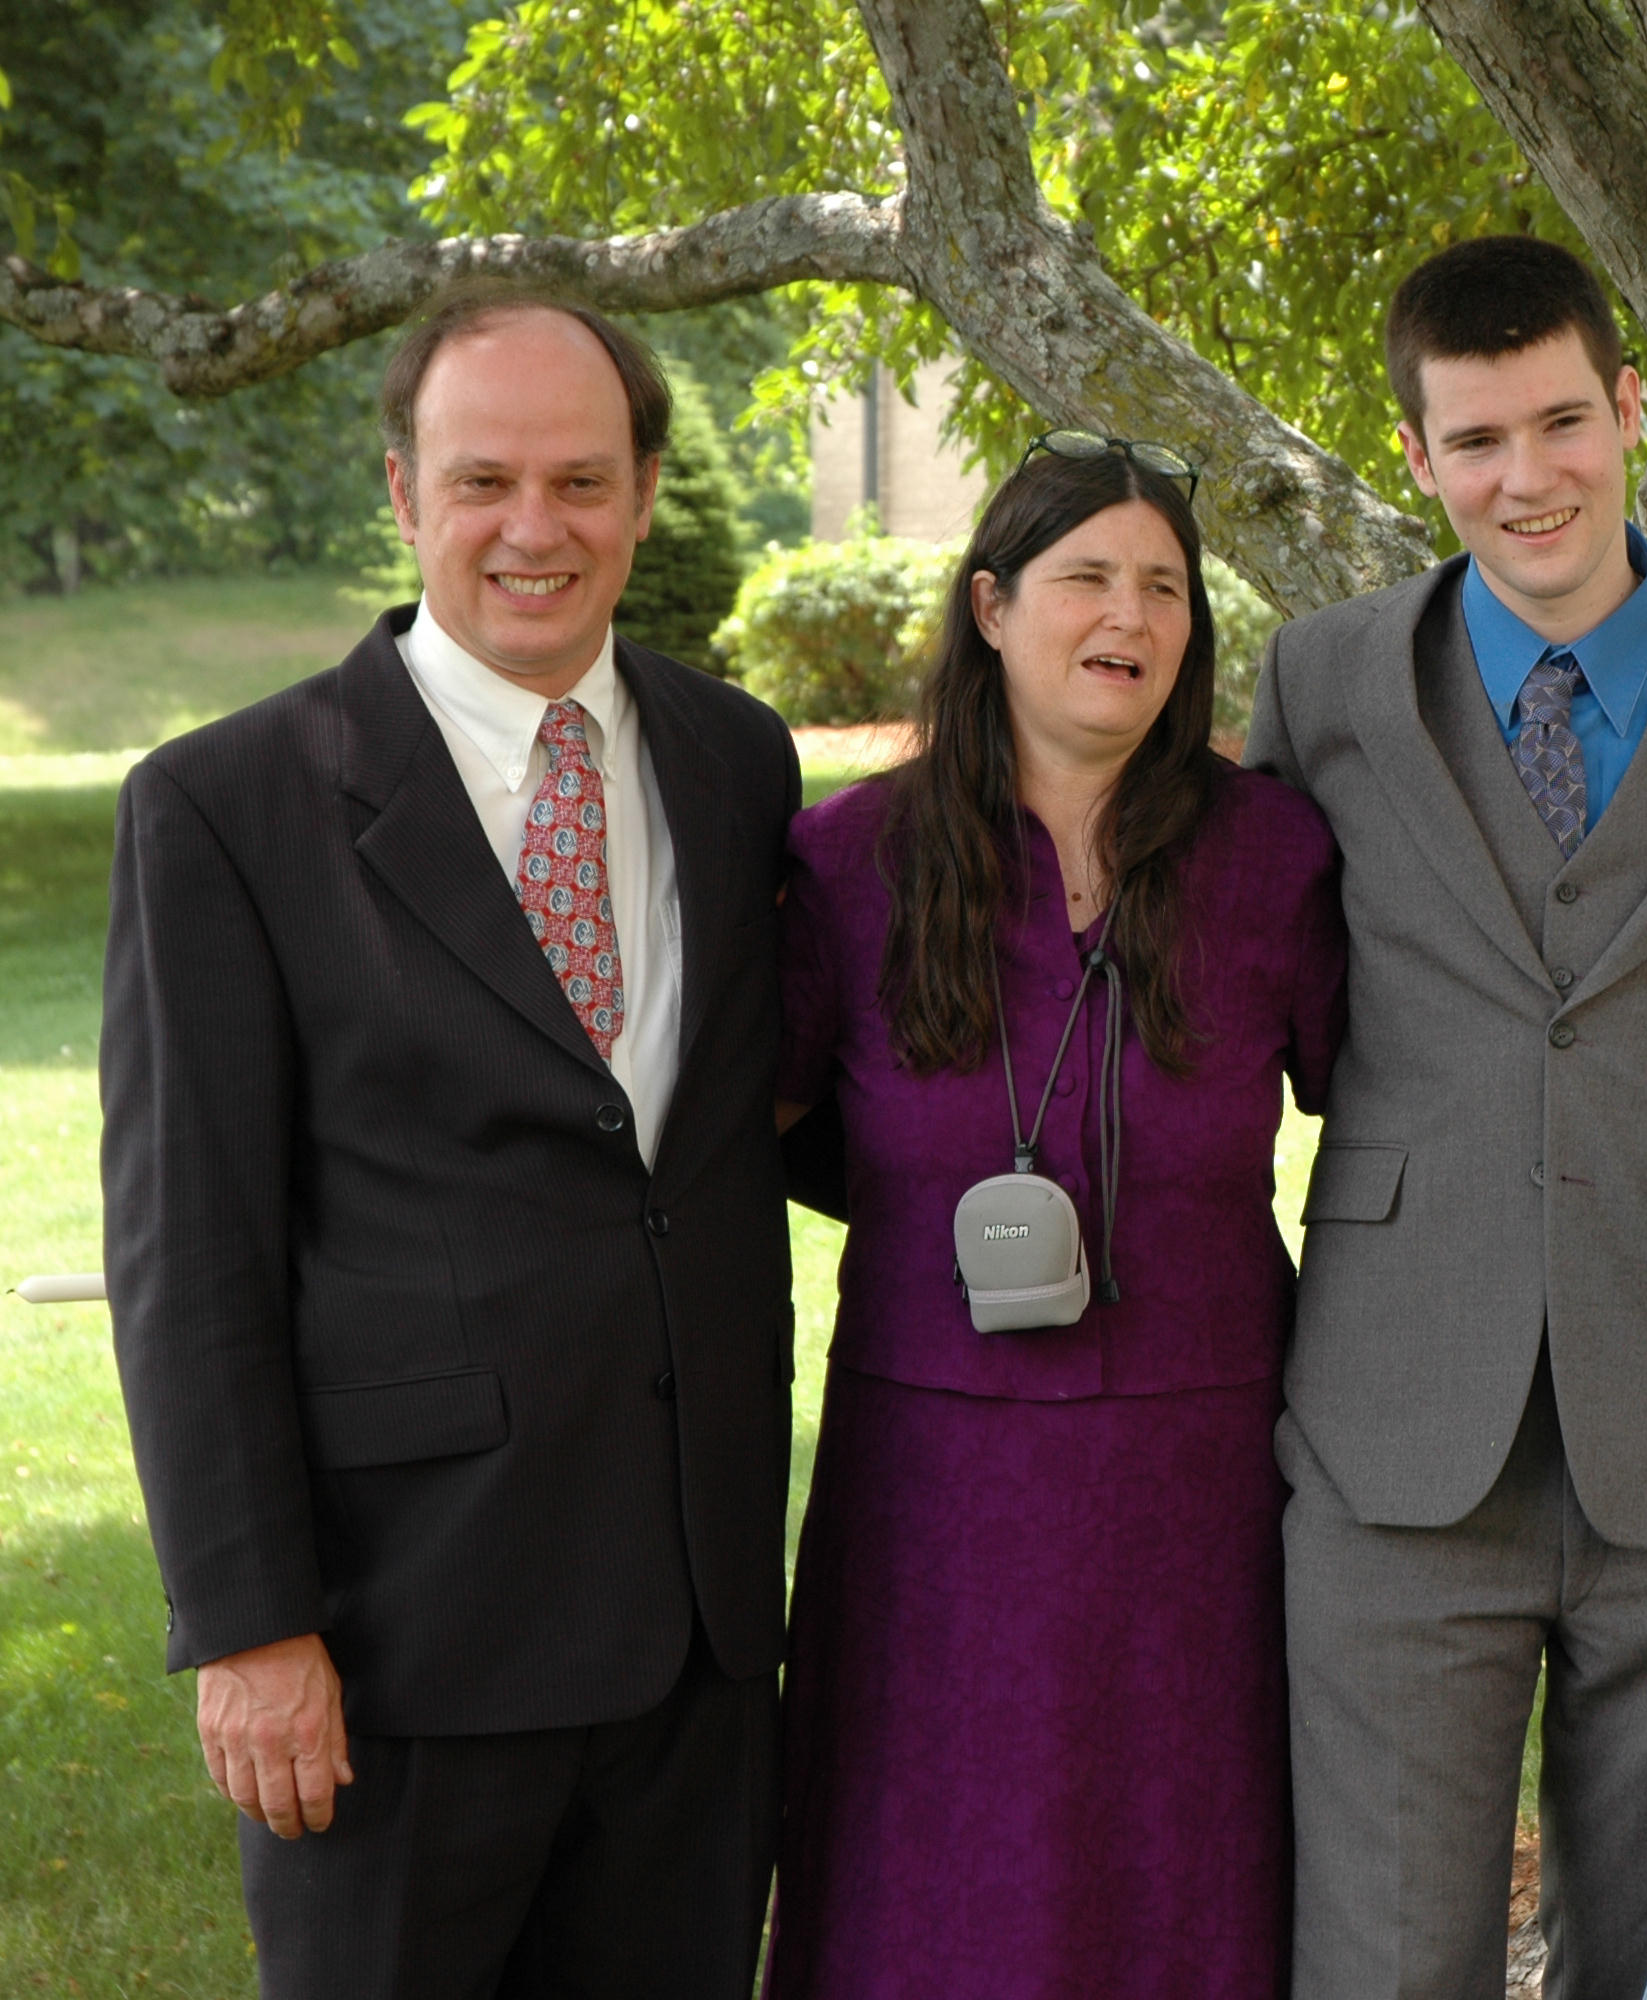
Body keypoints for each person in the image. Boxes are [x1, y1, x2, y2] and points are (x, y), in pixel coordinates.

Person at [100, 288, 803, 1995]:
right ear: (405, 497)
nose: (534, 529)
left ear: (643, 491)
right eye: (483, 480)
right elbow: (190, 1256)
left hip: (697, 1639)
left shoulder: (735, 761)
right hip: (401, 1652)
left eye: (580, 480)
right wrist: (253, 1629)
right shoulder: (229, 808)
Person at [1241, 234, 1647, 1997]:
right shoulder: (1324, 684)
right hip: (1395, 1422)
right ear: (1417, 459)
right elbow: (1238, 984)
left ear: (1635, 405)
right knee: (1378, 1954)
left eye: (1565, 421)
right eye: (1479, 439)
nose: (1531, 478)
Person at [762, 435, 1345, 1998]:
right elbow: (767, 1140)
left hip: (1201, 1479)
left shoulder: (1278, 856)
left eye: (1164, 586)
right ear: (993, 608)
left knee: (1181, 1872)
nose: (1130, 614)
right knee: (931, 1884)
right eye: (1087, 575)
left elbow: (1394, 1121)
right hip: (930, 1484)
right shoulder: (845, 861)